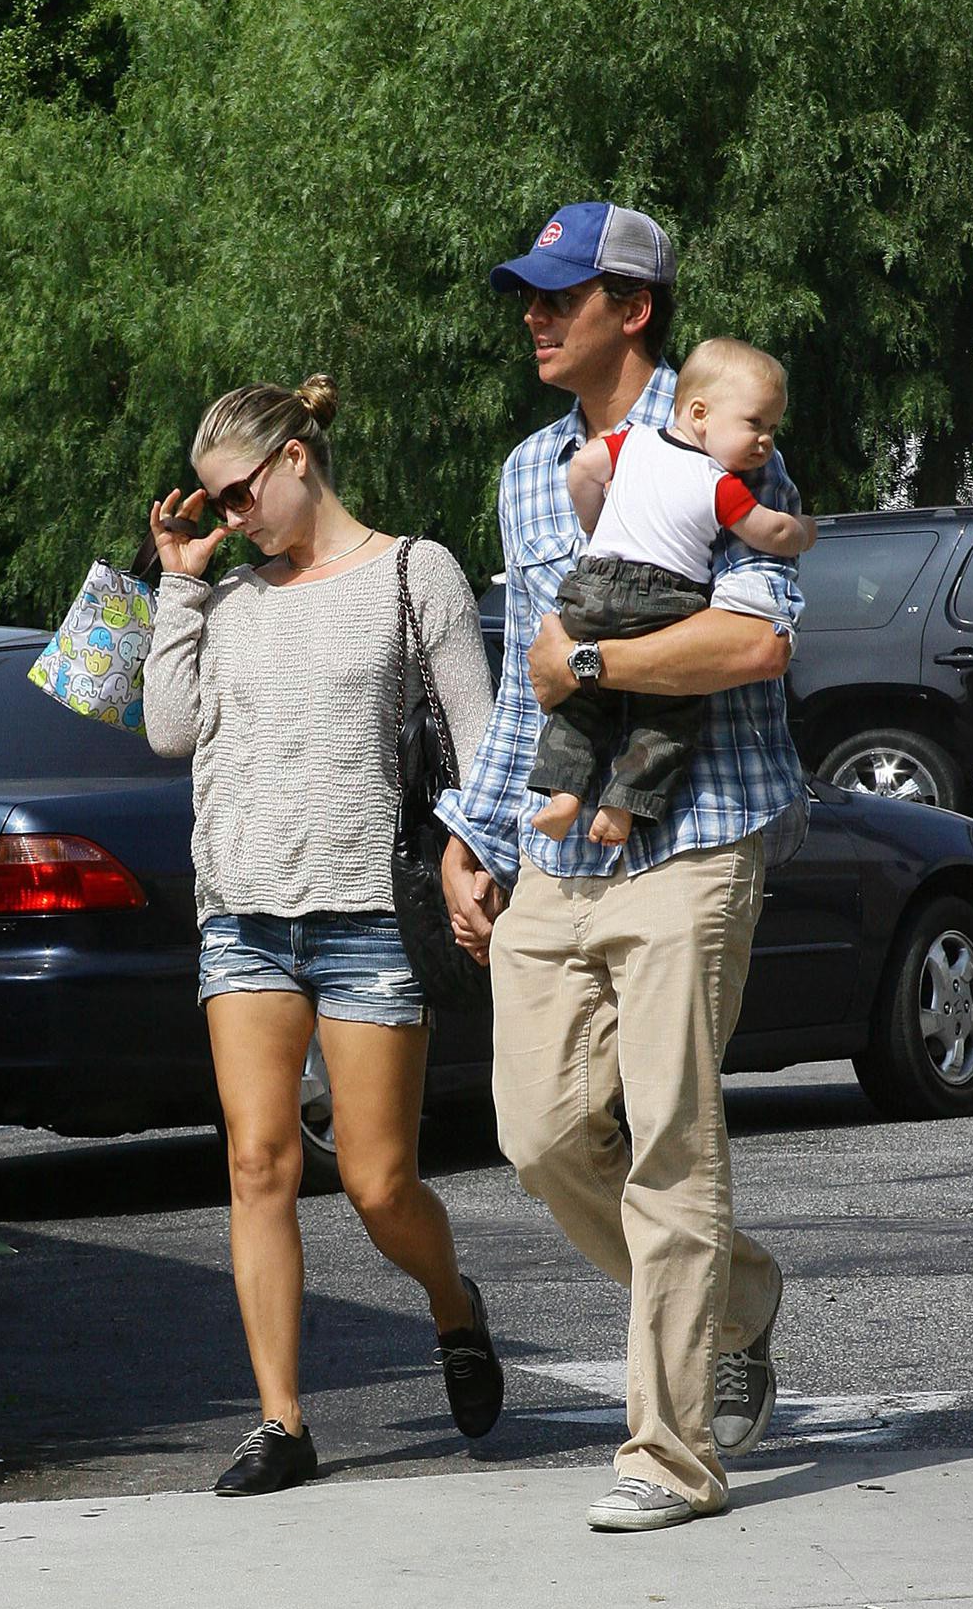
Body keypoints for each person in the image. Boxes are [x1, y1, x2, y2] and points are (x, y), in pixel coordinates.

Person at [439, 204, 809, 1535]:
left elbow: (751, 646)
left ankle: (668, 1453)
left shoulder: (727, 432)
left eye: (559, 296)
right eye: (526, 299)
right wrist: (474, 836)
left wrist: (591, 664)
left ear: (630, 307)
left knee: (667, 1144)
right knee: (535, 1134)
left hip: (695, 833)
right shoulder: (529, 467)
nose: (534, 318)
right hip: (557, 850)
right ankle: (739, 1297)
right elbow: (523, 671)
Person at [143, 374, 504, 1497]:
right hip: (240, 911)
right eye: (211, 503)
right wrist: (177, 586)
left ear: (298, 458)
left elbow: (480, 737)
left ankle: (454, 1304)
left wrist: (471, 853)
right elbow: (165, 731)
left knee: (380, 1182)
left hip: (364, 913)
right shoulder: (229, 597)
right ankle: (282, 1421)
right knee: (257, 1163)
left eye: (238, 495)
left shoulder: (413, 571)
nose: (230, 519)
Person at [530, 337, 815, 845]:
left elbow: (582, 470)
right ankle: (623, 805)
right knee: (668, 710)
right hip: (666, 600)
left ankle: (563, 794)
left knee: (577, 706)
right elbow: (768, 532)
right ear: (700, 413)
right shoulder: (718, 482)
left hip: (592, 584)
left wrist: (595, 528)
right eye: (755, 424)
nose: (766, 442)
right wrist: (805, 530)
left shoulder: (630, 442)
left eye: (772, 429)